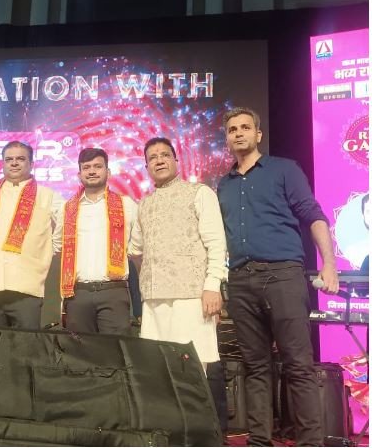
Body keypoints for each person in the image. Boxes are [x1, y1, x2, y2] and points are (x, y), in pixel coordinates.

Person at [217, 107, 339, 447]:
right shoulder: (223, 185)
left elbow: (313, 214)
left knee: (297, 365)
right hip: (240, 281)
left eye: (245, 127)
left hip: (283, 275)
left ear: (258, 134)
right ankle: (259, 441)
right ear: (227, 139)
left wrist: (329, 263)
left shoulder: (284, 169)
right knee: (255, 367)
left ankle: (310, 443)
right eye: (232, 129)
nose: (238, 133)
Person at [128, 137, 226, 371]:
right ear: (147, 167)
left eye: (165, 155)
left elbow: (216, 243)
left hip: (190, 298)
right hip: (154, 301)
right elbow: (135, 250)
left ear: (176, 160)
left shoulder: (199, 193)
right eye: (153, 158)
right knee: (157, 371)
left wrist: (212, 286)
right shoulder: (144, 204)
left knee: (190, 370)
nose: (159, 161)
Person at [0, 141, 63, 329]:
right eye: (9, 159)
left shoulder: (47, 195)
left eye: (20, 159)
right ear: (3, 164)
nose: (14, 163)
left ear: (31, 163)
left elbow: (67, 224)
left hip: (27, 286)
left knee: (25, 345)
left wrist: (51, 248)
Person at [60, 147, 139, 336]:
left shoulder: (126, 205)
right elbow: (58, 246)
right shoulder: (67, 208)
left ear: (108, 172)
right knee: (80, 351)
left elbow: (137, 245)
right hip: (78, 293)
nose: (92, 171)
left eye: (97, 166)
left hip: (113, 291)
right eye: (86, 167)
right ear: (79, 174)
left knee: (115, 350)